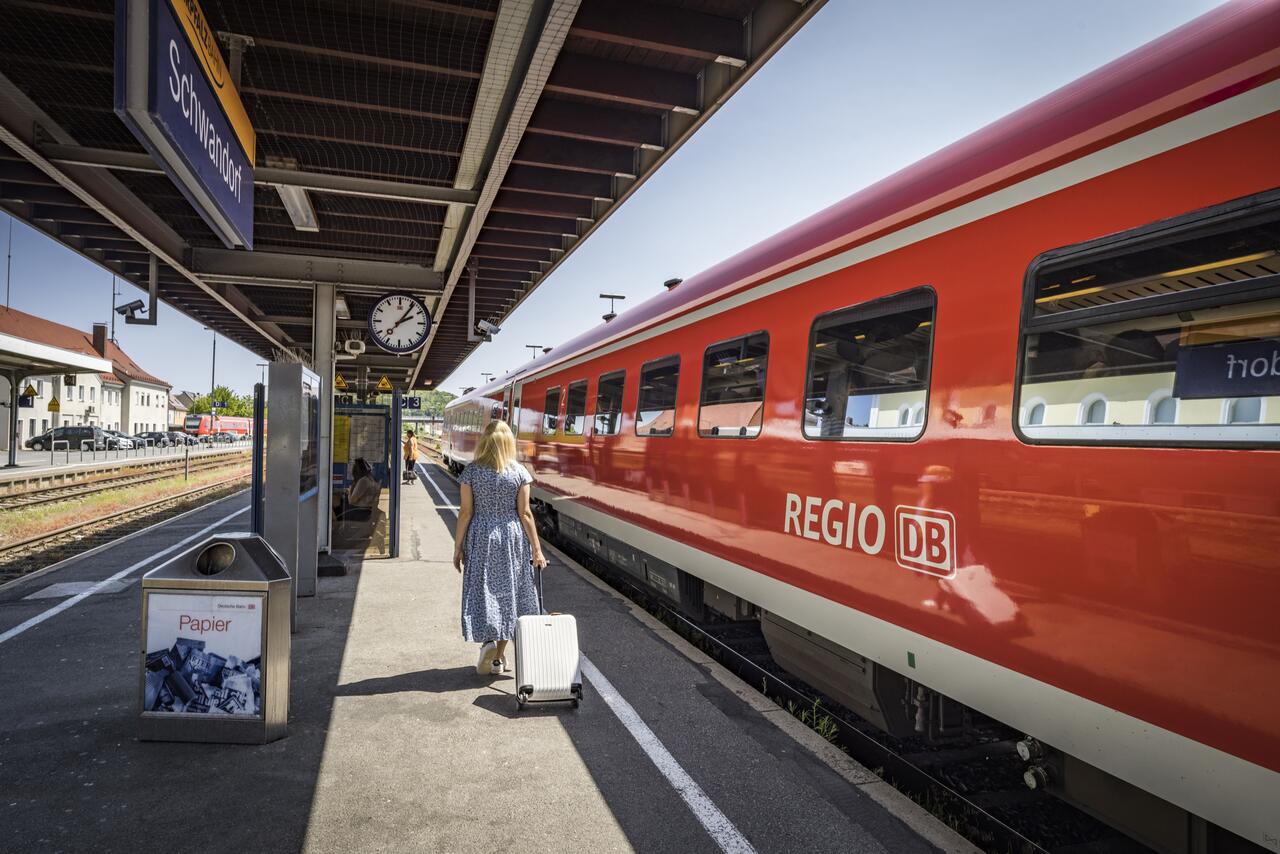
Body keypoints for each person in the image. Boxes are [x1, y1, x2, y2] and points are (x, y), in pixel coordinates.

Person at [453, 420, 548, 675]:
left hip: (481, 535)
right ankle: (499, 656)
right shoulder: (519, 473)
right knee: (510, 592)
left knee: (482, 589)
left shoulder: (471, 472)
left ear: (484, 441)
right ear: (509, 443)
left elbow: (465, 512)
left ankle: (488, 643)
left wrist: (458, 546)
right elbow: (526, 513)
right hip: (511, 537)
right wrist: (537, 550)